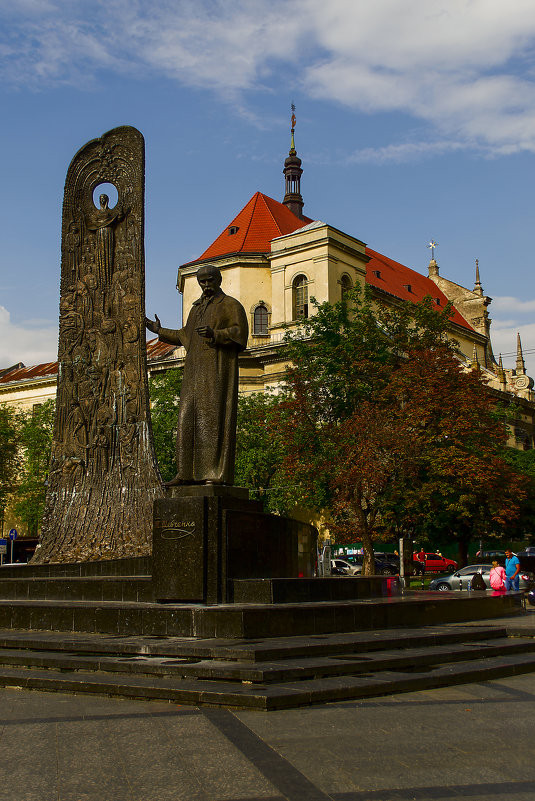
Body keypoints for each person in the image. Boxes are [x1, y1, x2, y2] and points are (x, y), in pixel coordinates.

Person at [146, 264, 248, 485]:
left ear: (218, 280)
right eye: (202, 281)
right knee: (186, 419)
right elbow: (184, 335)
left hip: (216, 371)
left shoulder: (230, 305)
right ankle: (185, 474)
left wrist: (216, 334)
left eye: (209, 280)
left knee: (212, 420)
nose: (205, 285)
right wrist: (159, 331)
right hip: (193, 372)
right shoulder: (196, 309)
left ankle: (214, 474)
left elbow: (240, 334)